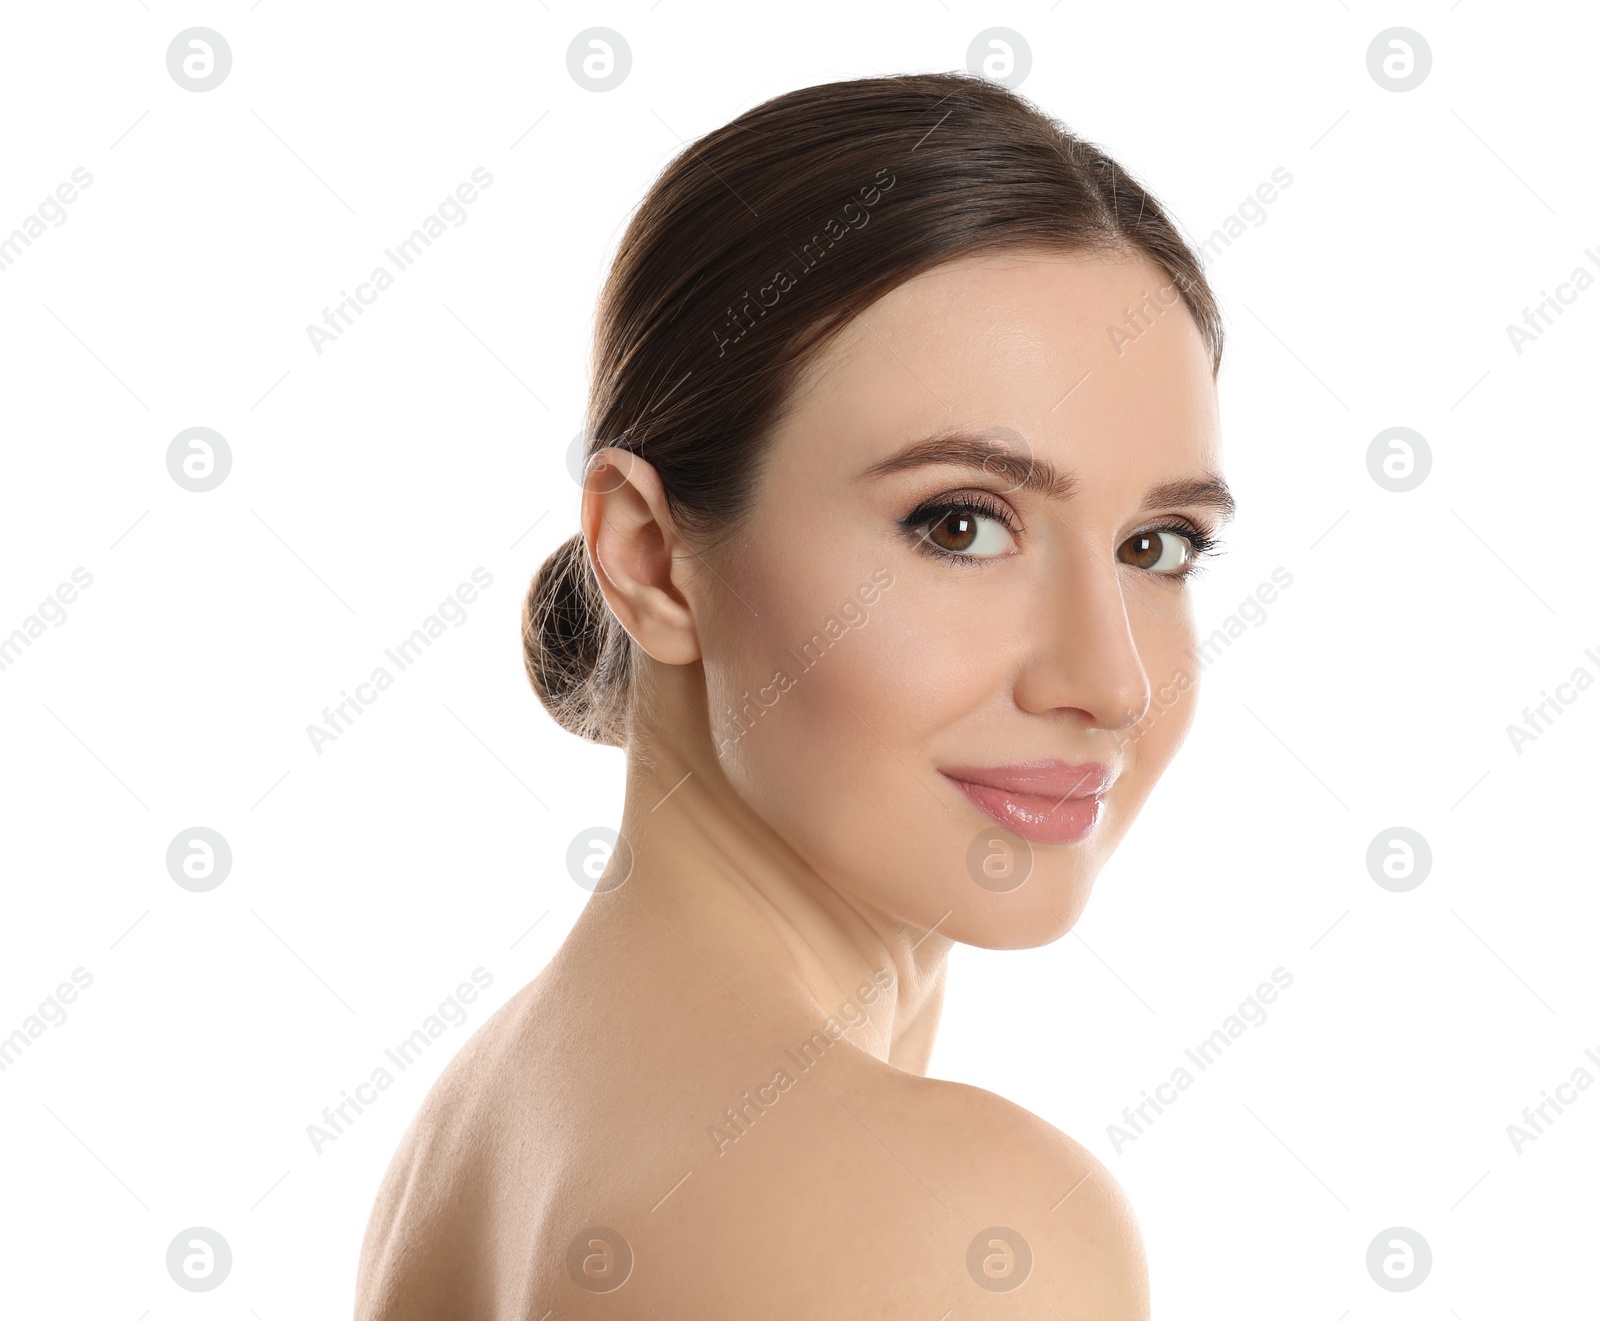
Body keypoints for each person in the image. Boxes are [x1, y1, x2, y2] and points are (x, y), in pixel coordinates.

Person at [355, 69, 1232, 1320]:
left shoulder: (489, 1121)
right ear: (651, 560)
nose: (1109, 681)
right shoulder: (956, 1227)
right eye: (961, 524)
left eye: (1158, 546)